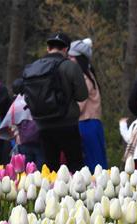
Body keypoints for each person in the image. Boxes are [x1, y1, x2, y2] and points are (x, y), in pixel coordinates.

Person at [19, 32, 88, 172]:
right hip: (67, 123)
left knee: (50, 168)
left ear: (48, 48)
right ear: (66, 49)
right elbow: (82, 95)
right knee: (76, 166)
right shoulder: (70, 66)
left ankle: (50, 193)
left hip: (42, 124)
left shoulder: (33, 67)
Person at [69, 38, 107, 170]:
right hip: (90, 125)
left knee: (93, 166)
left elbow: (79, 106)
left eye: (71, 57)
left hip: (86, 125)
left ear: (80, 59)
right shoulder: (89, 76)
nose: (68, 60)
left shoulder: (84, 79)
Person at [0, 79, 45, 169]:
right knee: (41, 170)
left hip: (23, 141)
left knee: (26, 171)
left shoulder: (15, 104)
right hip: (39, 140)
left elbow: (8, 123)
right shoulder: (37, 100)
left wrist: (15, 135)